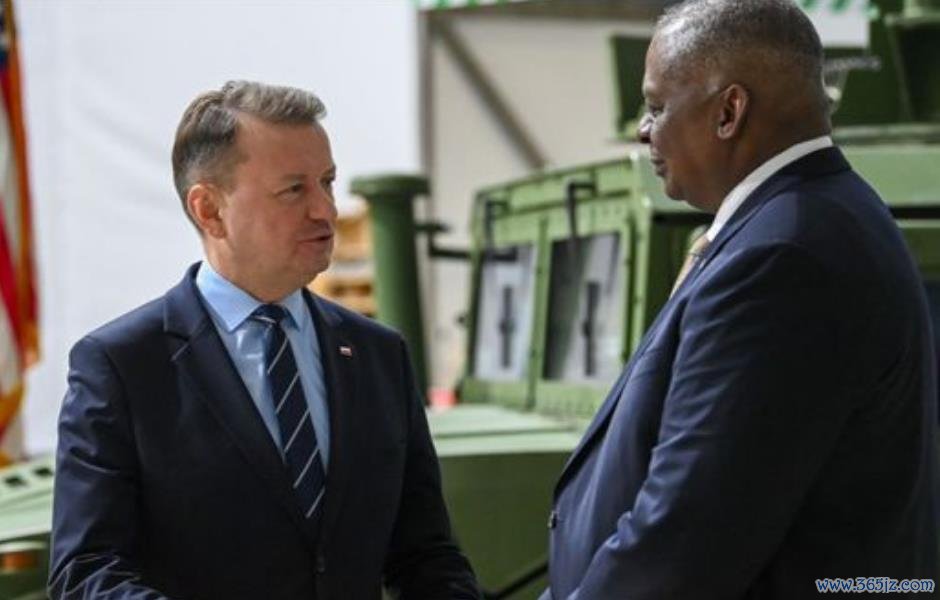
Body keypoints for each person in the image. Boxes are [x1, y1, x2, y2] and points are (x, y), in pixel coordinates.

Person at [541, 1, 939, 598]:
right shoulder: (801, 221)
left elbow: (684, 539)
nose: (643, 130)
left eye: (657, 107)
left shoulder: (783, 255)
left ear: (728, 112)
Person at [49, 80, 480, 600]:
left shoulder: (378, 356)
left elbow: (426, 556)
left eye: (327, 182)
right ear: (209, 210)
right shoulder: (122, 366)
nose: (326, 210)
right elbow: (88, 571)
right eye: (294, 190)